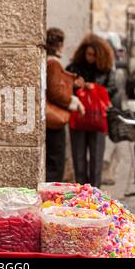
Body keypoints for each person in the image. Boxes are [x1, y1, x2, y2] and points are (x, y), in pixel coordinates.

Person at [66, 34, 115, 189]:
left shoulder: (106, 70)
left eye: (94, 55)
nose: (90, 58)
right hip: (78, 118)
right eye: (88, 54)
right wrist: (74, 84)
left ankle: (95, 194)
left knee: (96, 160)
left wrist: (95, 88)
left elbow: (113, 89)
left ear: (100, 55)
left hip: (97, 118)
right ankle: (81, 193)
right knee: (79, 159)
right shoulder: (73, 68)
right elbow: (63, 89)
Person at [45, 28, 85, 182]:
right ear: (59, 44)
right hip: (54, 121)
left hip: (50, 120)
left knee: (54, 162)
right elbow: (55, 92)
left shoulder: (47, 61)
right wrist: (75, 103)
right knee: (56, 164)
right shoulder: (53, 63)